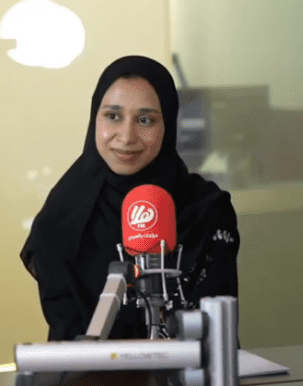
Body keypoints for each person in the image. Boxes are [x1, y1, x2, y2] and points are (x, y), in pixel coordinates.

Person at [20, 55, 240, 341]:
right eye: (113, 116)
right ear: (94, 119)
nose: (126, 137)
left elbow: (215, 334)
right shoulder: (62, 218)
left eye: (145, 120)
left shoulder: (208, 211)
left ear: (168, 125)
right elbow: (66, 336)